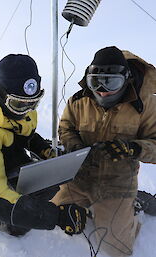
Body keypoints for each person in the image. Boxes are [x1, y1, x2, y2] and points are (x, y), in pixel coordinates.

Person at [0, 54, 87, 237]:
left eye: (33, 103)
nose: (27, 110)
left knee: (45, 188)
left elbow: (27, 135)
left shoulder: (23, 109)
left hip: (10, 152)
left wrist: (45, 150)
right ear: (0, 95)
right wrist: (56, 216)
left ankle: (10, 189)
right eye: (19, 104)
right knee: (13, 225)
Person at [51, 46, 156, 256]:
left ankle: (133, 204)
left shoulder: (145, 105)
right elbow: (65, 127)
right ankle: (90, 207)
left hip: (117, 181)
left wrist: (134, 148)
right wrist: (75, 146)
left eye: (111, 82)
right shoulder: (78, 100)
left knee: (116, 247)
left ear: (125, 79)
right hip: (79, 176)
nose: (102, 90)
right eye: (95, 82)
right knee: (56, 214)